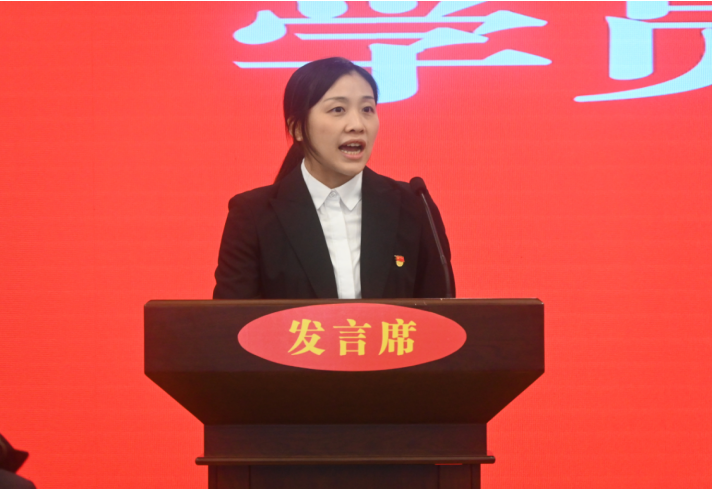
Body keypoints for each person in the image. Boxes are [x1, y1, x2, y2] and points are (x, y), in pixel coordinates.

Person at [213, 57, 454, 300]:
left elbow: (442, 313)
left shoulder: (414, 205)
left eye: (367, 109)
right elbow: (232, 319)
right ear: (297, 128)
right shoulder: (252, 215)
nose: (357, 125)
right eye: (338, 109)